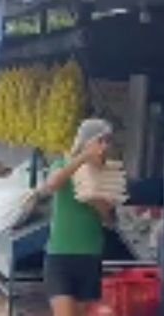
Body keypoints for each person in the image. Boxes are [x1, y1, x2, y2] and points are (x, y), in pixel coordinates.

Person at [36, 119, 115, 316]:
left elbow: (110, 219)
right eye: (100, 141)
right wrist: (82, 159)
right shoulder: (63, 164)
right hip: (60, 255)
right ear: (86, 141)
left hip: (89, 256)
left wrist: (95, 200)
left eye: (108, 141)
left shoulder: (105, 173)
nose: (105, 146)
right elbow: (52, 185)